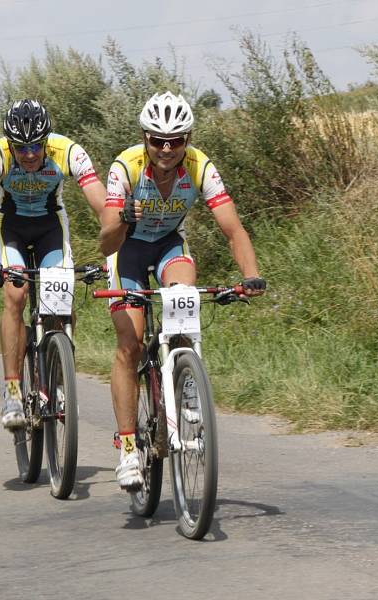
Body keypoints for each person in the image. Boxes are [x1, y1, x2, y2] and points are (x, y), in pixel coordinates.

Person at [98, 91, 267, 489]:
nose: (167, 149)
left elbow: (232, 228)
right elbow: (106, 243)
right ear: (145, 138)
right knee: (131, 343)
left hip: (171, 244)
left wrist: (251, 274)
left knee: (184, 302)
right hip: (128, 251)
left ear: (187, 139)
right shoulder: (126, 167)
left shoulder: (200, 167)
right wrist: (123, 218)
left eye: (176, 140)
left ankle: (185, 389)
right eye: (158, 139)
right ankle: (126, 447)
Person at [0, 99, 106, 430]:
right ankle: (13, 389)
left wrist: (112, 250)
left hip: (49, 226)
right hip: (9, 227)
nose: (29, 154)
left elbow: (102, 204)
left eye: (36, 146)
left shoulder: (68, 151)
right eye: (21, 147)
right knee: (15, 295)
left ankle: (58, 380)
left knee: (61, 301)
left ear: (47, 139)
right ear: (10, 143)